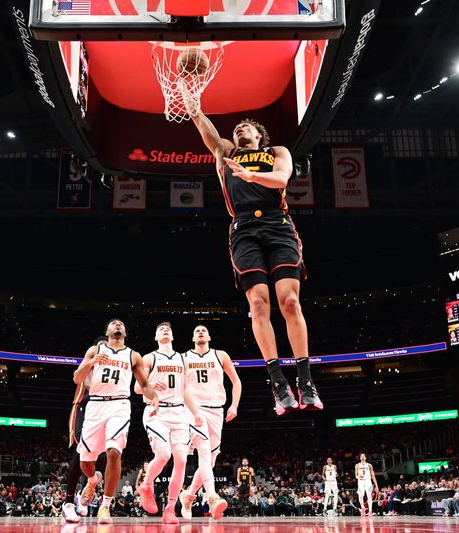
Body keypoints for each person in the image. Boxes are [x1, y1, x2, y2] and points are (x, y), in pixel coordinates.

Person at [188, 110, 321, 414]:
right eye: (235, 128)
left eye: (245, 126)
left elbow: (281, 178)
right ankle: (278, 382)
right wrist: (192, 104)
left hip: (277, 224)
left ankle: (305, 380)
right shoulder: (226, 153)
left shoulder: (276, 152)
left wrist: (252, 175)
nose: (239, 129)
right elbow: (203, 126)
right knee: (259, 305)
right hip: (244, 228)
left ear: (259, 135)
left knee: (289, 302)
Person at [73, 319, 160, 525]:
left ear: (125, 332)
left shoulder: (133, 355)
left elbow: (145, 383)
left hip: (119, 405)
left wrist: (154, 398)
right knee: (86, 463)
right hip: (95, 405)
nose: (118, 326)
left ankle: (105, 505)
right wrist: (91, 363)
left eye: (121, 324)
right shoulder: (94, 350)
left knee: (113, 451)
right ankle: (94, 480)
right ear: (107, 331)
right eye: (114, 324)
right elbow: (77, 378)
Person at [135, 322, 204, 525]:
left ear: (172, 336)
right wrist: (149, 385)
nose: (165, 330)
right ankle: (146, 485)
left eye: (168, 329)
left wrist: (196, 413)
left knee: (182, 460)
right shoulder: (149, 358)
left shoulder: (183, 359)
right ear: (156, 337)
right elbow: (137, 388)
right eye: (160, 329)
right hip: (156, 411)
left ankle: (170, 509)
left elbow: (185, 390)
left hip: (179, 411)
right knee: (164, 454)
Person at [179, 324, 242, 520]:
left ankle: (189, 496)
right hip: (194, 410)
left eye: (204, 330)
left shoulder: (220, 355)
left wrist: (234, 405)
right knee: (204, 450)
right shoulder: (183, 357)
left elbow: (236, 382)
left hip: (216, 410)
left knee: (210, 460)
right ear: (192, 338)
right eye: (196, 330)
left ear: (209, 337)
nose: (200, 332)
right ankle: (212, 498)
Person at [63, 336, 106, 523]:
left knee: (104, 454)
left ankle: (89, 485)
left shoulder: (117, 362)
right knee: (80, 452)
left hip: (104, 408)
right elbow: (76, 376)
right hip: (83, 405)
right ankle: (68, 502)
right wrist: (92, 361)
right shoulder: (92, 354)